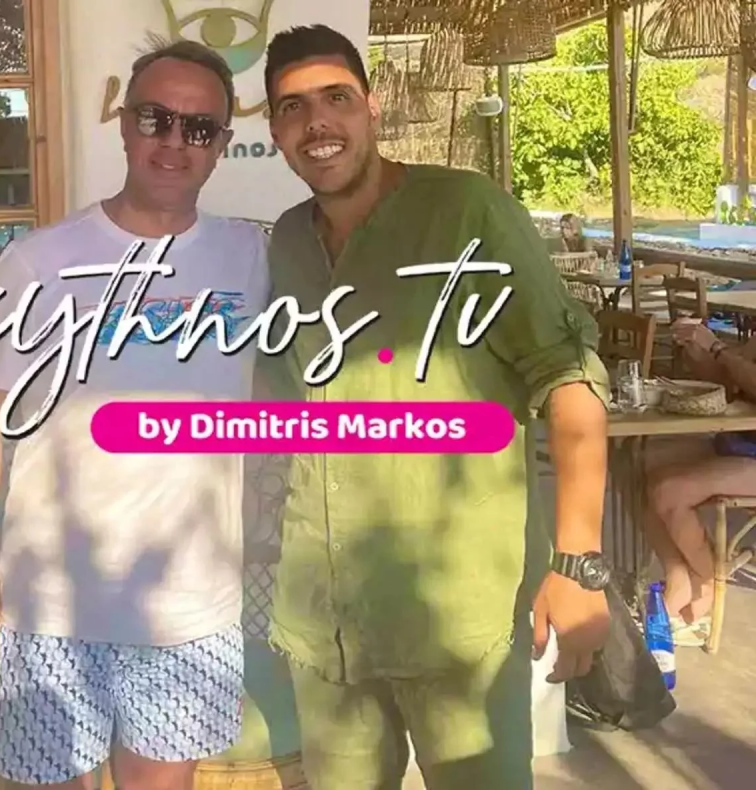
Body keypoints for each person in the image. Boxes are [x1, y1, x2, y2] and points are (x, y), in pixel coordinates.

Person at [258, 25, 612, 790]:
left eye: (336, 98)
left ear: (372, 107)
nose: (317, 123)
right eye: (293, 107)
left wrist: (579, 566)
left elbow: (569, 379)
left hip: (456, 619)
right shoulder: (286, 242)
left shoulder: (467, 211)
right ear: (275, 131)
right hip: (325, 624)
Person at [0, 40, 269, 790]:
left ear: (222, 144)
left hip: (189, 610)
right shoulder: (37, 263)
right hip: (53, 606)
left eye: (198, 127)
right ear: (124, 124)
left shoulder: (251, 257)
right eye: (156, 118)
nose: (174, 141)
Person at [644, 319, 756, 646]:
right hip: (741, 443)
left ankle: (705, 585)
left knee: (668, 491)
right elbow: (732, 385)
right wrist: (699, 354)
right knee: (644, 461)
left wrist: (717, 348)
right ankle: (680, 577)